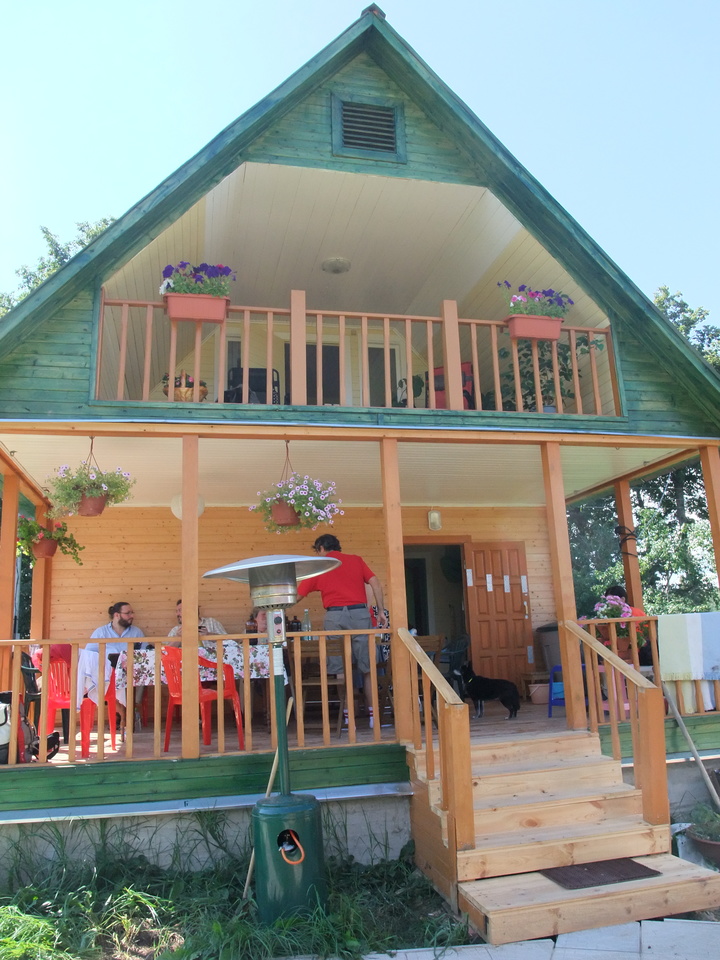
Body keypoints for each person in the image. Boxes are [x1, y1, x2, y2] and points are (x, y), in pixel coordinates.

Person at [296, 534, 387, 726]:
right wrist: (380, 611)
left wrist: (276, 608)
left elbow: (298, 595)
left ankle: (348, 717)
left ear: (321, 548)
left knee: (339, 668)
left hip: (335, 616)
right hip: (360, 614)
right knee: (368, 667)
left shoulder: (320, 566)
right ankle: (373, 717)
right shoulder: (356, 560)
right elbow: (375, 582)